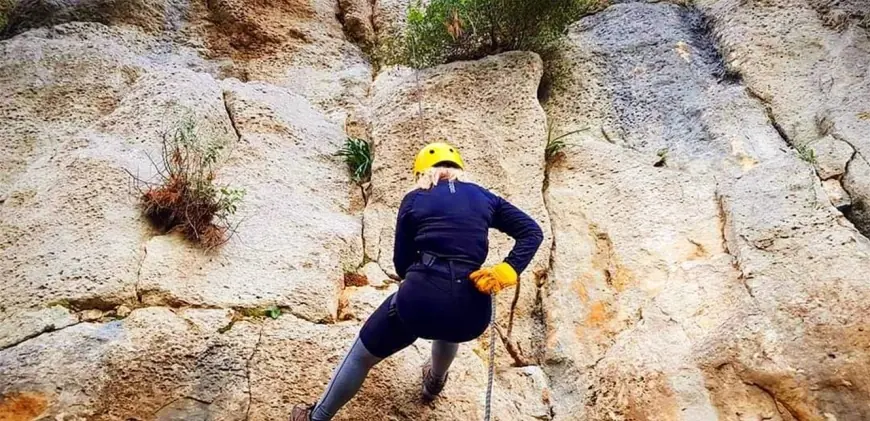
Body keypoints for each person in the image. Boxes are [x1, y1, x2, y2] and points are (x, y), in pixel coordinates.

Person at [291, 142, 544, 421]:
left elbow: (401, 263)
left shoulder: (414, 198)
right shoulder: (485, 198)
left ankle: (316, 417)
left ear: (423, 173)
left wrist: (422, 279)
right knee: (450, 326)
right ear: (459, 170)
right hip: (472, 310)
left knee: (360, 357)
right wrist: (507, 270)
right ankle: (434, 381)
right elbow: (532, 232)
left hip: (420, 303)